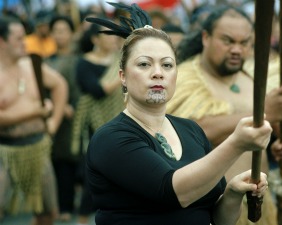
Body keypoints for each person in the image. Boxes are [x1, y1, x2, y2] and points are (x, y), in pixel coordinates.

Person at [85, 2, 272, 225]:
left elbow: (219, 220)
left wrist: (232, 192)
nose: (157, 73)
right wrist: (236, 144)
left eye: (167, 65)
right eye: (144, 64)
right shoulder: (110, 138)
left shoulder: (191, 130)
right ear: (123, 76)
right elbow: (173, 192)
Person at [167, 5, 282, 225]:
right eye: (228, 41)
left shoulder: (257, 78)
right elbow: (190, 131)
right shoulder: (182, 80)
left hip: (256, 205)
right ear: (206, 37)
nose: (236, 50)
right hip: (208, 207)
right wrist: (264, 112)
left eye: (244, 43)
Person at [0, 16, 68, 225]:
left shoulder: (32, 64)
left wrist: (54, 122)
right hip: (4, 151)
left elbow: (59, 85)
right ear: (2, 41)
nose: (25, 43)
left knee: (48, 213)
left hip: (38, 147)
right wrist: (36, 112)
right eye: (19, 38)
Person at [71, 17, 123, 225]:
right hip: (94, 122)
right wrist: (126, 75)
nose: (112, 39)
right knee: (93, 173)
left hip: (119, 117)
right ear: (94, 38)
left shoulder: (120, 59)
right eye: (106, 34)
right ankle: (83, 218)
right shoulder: (84, 63)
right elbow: (98, 90)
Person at [45, 15, 81, 222]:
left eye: (63, 30)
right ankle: (58, 206)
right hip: (54, 115)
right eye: (56, 31)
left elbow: (81, 89)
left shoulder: (79, 59)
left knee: (72, 159)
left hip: (76, 115)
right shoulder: (47, 61)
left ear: (71, 33)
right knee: (57, 160)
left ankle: (71, 204)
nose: (60, 35)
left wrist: (75, 107)